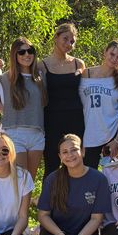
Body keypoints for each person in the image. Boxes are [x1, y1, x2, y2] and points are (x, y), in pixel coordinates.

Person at [37, 134, 111, 235]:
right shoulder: (53, 179)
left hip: (83, 230)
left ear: (82, 151)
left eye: (74, 149)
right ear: (60, 156)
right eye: (65, 152)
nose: (69, 155)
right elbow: (43, 215)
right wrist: (59, 234)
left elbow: (96, 218)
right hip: (56, 231)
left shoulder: (99, 179)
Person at [0, 37, 46, 180]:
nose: (26, 55)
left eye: (30, 51)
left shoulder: (40, 77)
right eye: (21, 52)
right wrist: (12, 109)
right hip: (14, 133)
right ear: (14, 55)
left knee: (30, 181)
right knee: (19, 179)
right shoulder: (4, 78)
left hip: (37, 134)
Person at [40, 23, 86, 178]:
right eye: (65, 39)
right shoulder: (42, 65)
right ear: (56, 38)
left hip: (76, 118)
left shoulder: (78, 63)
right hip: (52, 120)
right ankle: (50, 193)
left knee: (76, 161)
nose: (68, 44)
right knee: (52, 163)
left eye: (72, 41)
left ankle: (77, 192)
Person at [79, 40, 118, 168]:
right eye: (112, 54)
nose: (114, 59)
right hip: (88, 136)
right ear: (105, 52)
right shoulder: (86, 74)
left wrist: (117, 140)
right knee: (88, 176)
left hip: (110, 137)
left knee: (109, 176)